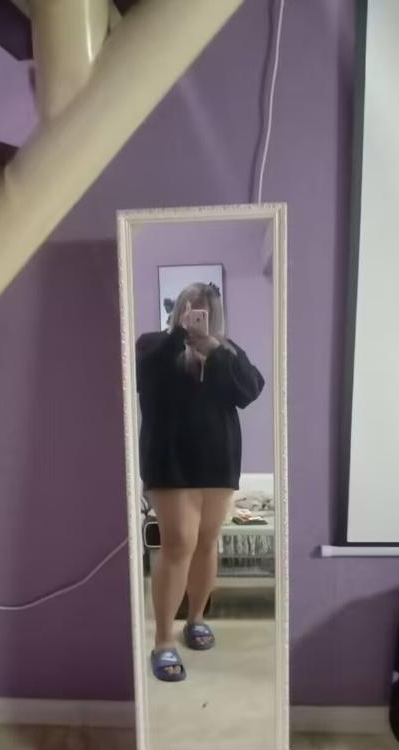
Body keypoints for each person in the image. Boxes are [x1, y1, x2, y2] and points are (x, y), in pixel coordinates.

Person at [136, 282, 264, 682]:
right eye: (189, 307)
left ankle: (196, 619)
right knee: (178, 544)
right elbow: (144, 377)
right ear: (178, 309)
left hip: (219, 460)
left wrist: (214, 348)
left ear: (215, 315)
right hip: (170, 460)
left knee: (207, 542)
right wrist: (180, 337)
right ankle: (163, 640)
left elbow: (250, 390)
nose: (195, 314)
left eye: (204, 309)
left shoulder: (227, 350)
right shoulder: (153, 344)